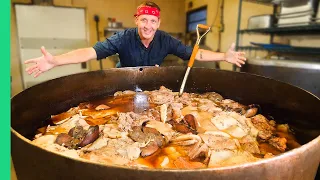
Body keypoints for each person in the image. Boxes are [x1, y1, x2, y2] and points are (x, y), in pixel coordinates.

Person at [25, 1, 246, 78]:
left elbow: (194, 52)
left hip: (152, 84)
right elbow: (90, 52)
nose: (148, 26)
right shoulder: (123, 38)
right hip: (124, 83)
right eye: (144, 20)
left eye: (153, 21)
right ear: (136, 20)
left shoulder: (165, 39)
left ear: (158, 24)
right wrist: (56, 61)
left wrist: (224, 56)